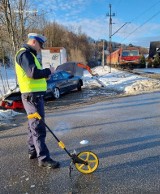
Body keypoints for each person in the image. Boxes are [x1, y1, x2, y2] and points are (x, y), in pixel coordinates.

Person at [15, 33, 60, 169]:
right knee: (38, 127)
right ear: (34, 42)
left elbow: (34, 75)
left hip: (32, 96)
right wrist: (48, 70)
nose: (41, 48)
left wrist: (46, 75)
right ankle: (44, 158)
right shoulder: (25, 54)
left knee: (32, 125)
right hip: (32, 96)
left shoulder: (29, 55)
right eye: (40, 45)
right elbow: (33, 73)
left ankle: (33, 151)